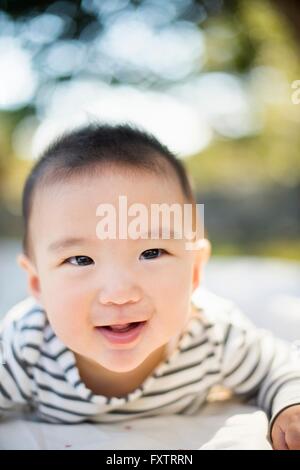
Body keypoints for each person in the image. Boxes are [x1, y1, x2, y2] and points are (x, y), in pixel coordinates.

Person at [1, 123, 300, 450]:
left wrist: (289, 406)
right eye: (80, 260)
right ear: (37, 283)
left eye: (151, 252)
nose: (118, 293)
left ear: (195, 270)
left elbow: (281, 367)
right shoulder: (25, 347)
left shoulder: (211, 335)